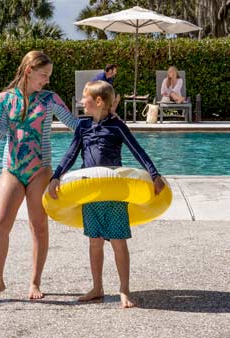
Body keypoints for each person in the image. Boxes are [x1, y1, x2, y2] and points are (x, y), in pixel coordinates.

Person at [0, 50, 79, 305]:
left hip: (40, 170)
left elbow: (74, 124)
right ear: (29, 71)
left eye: (49, 76)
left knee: (39, 227)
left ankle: (35, 281)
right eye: (43, 75)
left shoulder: (50, 99)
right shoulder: (4, 99)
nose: (47, 80)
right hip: (12, 169)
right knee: (0, 224)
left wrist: (104, 121)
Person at [47, 80, 165, 308]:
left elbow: (136, 149)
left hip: (113, 192)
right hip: (90, 192)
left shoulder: (117, 126)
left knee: (118, 242)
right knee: (95, 241)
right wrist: (56, 176)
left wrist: (154, 174)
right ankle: (97, 287)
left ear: (98, 101)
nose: (81, 101)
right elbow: (71, 153)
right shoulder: (82, 126)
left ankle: (124, 289)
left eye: (85, 97)